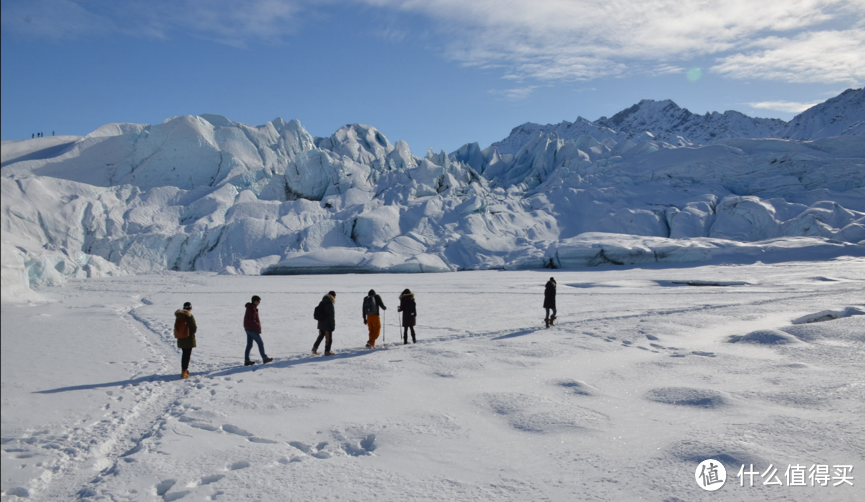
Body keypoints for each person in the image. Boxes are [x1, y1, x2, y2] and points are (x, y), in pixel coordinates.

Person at [243, 295, 273, 366]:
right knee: (260, 343)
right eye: (258, 301)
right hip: (252, 330)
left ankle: (247, 360)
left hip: (248, 329)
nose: (259, 303)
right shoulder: (252, 309)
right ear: (255, 301)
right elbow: (252, 320)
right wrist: (256, 326)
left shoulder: (250, 308)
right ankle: (264, 358)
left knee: (249, 345)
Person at [174, 302, 197, 379]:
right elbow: (194, 327)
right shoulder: (189, 316)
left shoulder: (178, 316)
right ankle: (184, 371)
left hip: (180, 338)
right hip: (188, 338)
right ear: (190, 308)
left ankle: (184, 370)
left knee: (184, 354)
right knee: (186, 355)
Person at [313, 291, 337, 356]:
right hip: (327, 324)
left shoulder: (322, 302)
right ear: (332, 296)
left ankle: (314, 349)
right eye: (335, 296)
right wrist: (332, 326)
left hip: (321, 323)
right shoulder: (330, 304)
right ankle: (327, 351)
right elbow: (331, 317)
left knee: (320, 336)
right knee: (329, 338)